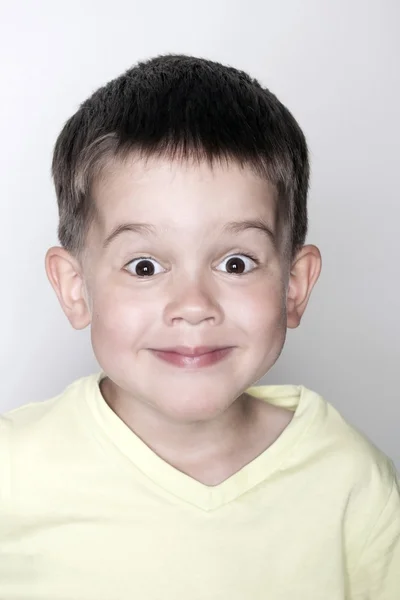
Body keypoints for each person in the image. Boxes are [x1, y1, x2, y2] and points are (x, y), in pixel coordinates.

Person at [0, 54, 399, 599]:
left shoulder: (351, 481)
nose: (192, 305)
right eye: (145, 266)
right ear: (75, 288)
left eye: (236, 263)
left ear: (294, 286)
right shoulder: (13, 472)